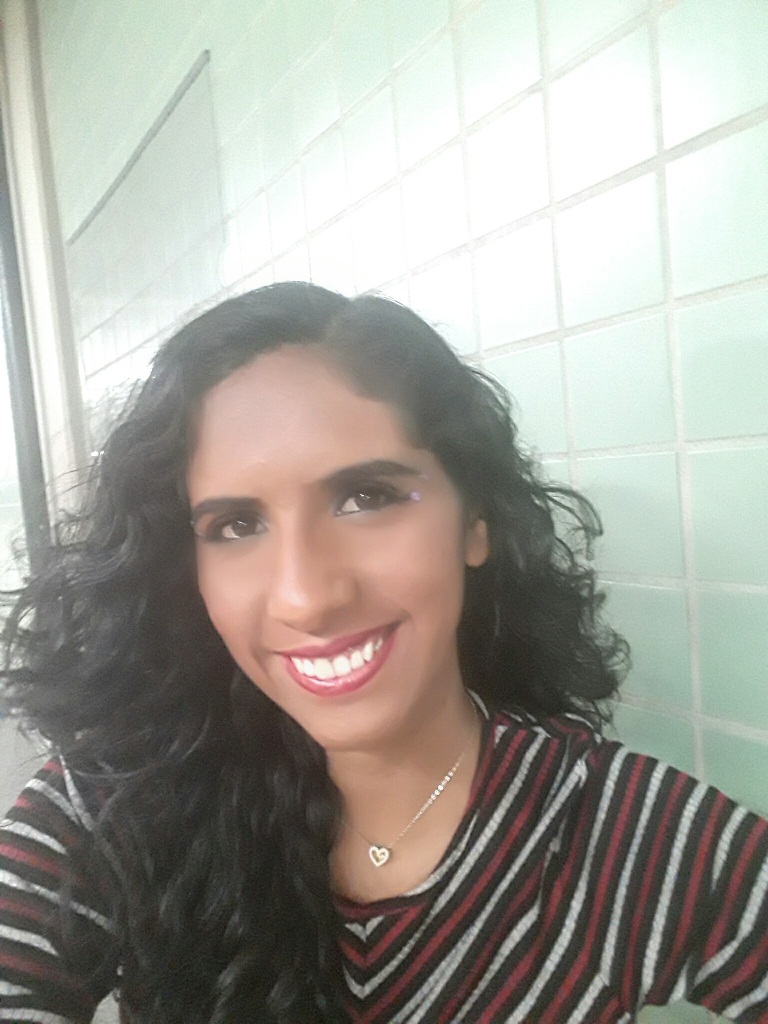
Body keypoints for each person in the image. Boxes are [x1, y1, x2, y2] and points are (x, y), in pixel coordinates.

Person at [0, 281, 766, 1024]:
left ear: (475, 521)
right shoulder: (116, 797)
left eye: (366, 496)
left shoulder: (617, 834)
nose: (306, 597)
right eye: (236, 525)